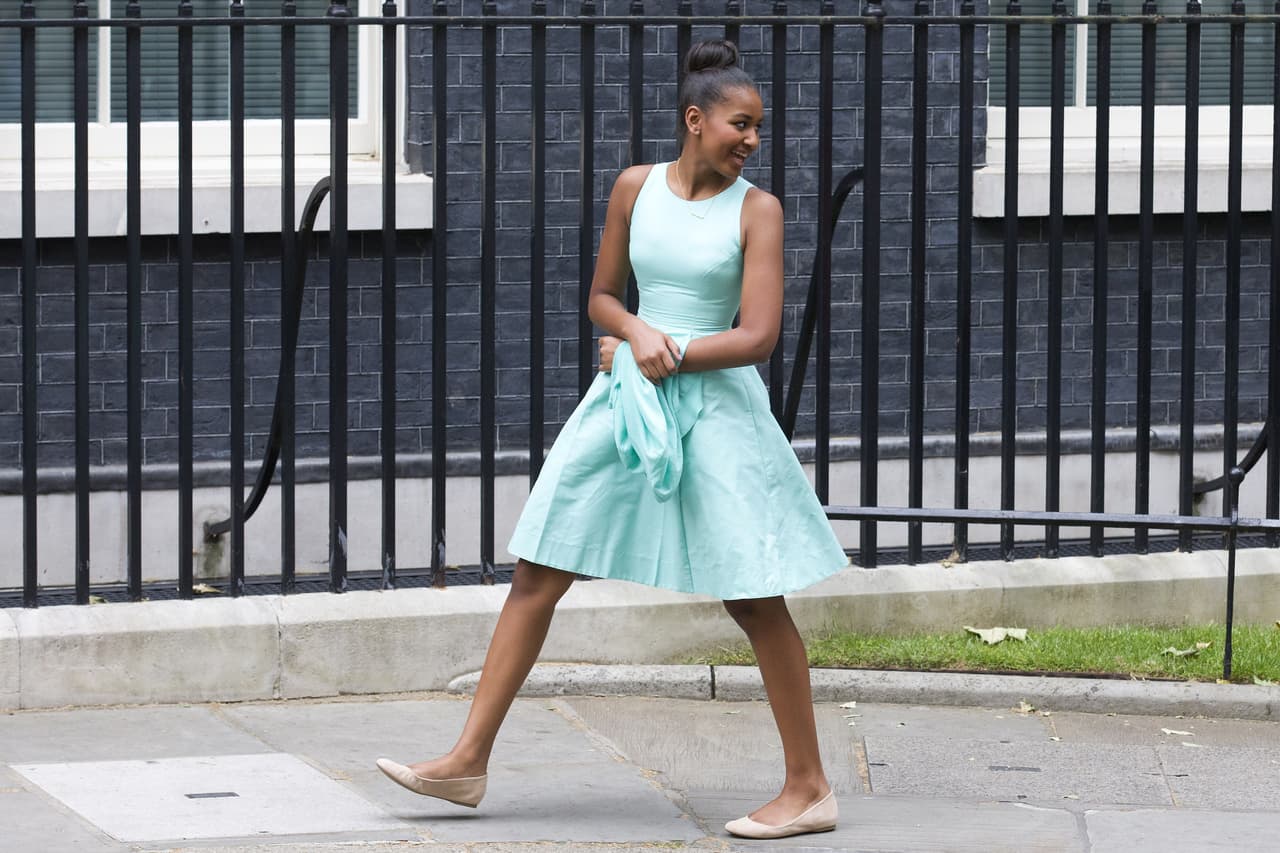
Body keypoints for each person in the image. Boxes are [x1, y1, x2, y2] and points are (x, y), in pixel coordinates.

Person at [376, 39, 848, 841]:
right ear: (695, 121)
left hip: (715, 408)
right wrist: (632, 330)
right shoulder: (634, 187)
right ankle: (466, 759)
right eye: (740, 124)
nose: (752, 141)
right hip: (628, 400)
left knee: (752, 595)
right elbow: (601, 295)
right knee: (540, 564)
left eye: (759, 128)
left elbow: (760, 335)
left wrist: (664, 350)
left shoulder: (756, 210)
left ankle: (809, 787)